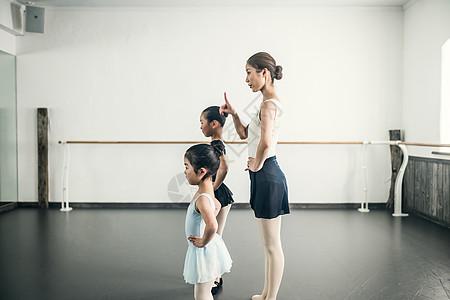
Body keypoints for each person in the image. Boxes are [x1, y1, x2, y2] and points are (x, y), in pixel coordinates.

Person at [220, 52, 289, 300]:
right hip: (266, 175)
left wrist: (257, 164)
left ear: (264, 73)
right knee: (269, 245)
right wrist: (234, 114)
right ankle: (266, 295)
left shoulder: (269, 105)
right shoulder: (265, 104)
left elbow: (266, 142)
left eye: (249, 73)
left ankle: (270, 298)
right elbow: (244, 135)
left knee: (272, 245)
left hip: (268, 174)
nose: (246, 79)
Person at [183, 144, 233, 300]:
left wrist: (203, 241)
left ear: (202, 171)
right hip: (208, 250)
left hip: (204, 252)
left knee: (202, 295)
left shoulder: (203, 198)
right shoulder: (206, 191)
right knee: (203, 293)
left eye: (187, 167)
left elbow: (213, 225)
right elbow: (216, 204)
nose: (185, 172)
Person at [200, 106, 234, 295]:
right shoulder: (216, 142)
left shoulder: (216, 144)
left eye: (202, 122)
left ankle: (215, 278)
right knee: (215, 237)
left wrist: (213, 189)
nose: (201, 127)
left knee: (214, 238)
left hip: (218, 195)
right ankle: (215, 276)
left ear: (214, 124)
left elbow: (224, 167)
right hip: (219, 194)